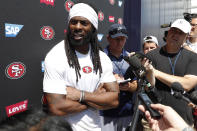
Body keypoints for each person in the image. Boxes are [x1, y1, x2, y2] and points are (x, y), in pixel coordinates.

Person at [43, 1, 119, 131]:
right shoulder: (56, 56)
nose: (77, 27)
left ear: (93, 28)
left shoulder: (102, 58)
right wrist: (96, 99)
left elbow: (114, 100)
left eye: (84, 23)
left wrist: (81, 95)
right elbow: (56, 107)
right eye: (73, 22)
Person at [145, 18, 197, 125]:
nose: (175, 35)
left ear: (186, 37)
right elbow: (148, 86)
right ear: (168, 32)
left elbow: (187, 85)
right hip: (155, 119)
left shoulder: (193, 57)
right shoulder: (151, 55)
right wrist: (149, 74)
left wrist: (155, 72)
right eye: (173, 30)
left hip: (183, 120)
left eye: (180, 33)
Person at [100, 23, 137, 131]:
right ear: (108, 38)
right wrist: (109, 81)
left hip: (126, 112)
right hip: (105, 113)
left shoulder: (131, 58)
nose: (120, 42)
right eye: (116, 39)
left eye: (122, 39)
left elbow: (137, 85)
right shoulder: (99, 57)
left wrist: (129, 86)